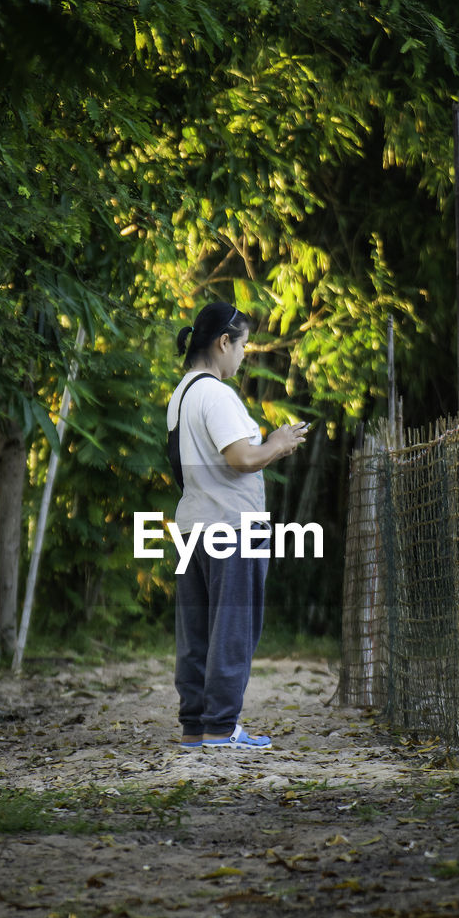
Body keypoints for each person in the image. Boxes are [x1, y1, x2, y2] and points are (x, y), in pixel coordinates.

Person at [166, 301, 308, 748]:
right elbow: (242, 458)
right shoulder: (216, 393)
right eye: (243, 345)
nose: (244, 355)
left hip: (193, 527)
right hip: (231, 528)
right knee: (232, 628)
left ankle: (196, 726)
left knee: (197, 631)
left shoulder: (181, 395)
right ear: (223, 342)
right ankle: (222, 728)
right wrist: (278, 443)